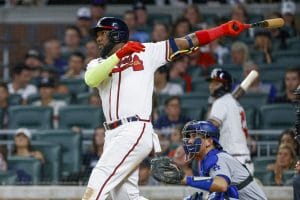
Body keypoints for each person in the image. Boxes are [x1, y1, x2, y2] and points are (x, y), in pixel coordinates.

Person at [83, 16, 249, 199]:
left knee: (98, 181)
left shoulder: (145, 51)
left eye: (103, 34)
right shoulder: (96, 63)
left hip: (133, 129)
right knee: (124, 196)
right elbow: (91, 79)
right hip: (112, 134)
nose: (98, 39)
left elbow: (189, 41)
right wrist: (119, 55)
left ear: (116, 34)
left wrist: (223, 29)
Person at [181, 120, 267, 199]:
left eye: (194, 136)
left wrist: (186, 179)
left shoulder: (219, 158)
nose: (189, 141)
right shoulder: (207, 160)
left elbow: (221, 185)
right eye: (189, 137)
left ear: (209, 142)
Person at [207, 68, 254, 174]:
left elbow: (210, 128)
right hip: (243, 159)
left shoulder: (221, 102)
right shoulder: (234, 103)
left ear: (225, 85)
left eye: (216, 83)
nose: (211, 86)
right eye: (211, 83)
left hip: (232, 160)